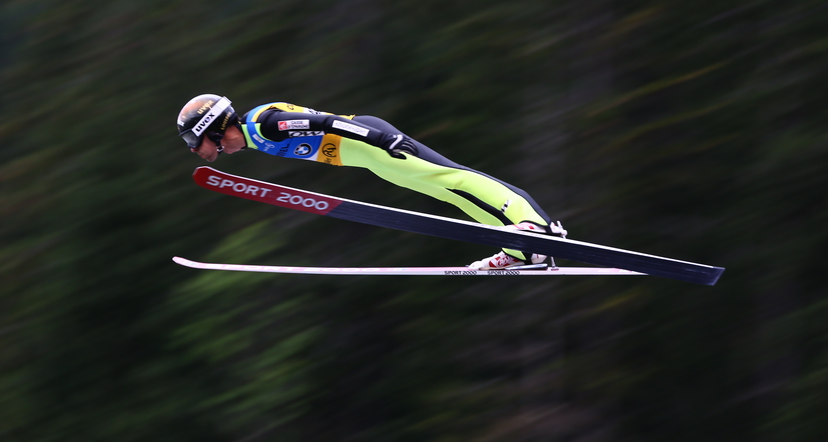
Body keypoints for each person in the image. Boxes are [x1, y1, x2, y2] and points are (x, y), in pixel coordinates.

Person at [177, 94, 566, 269]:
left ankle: (538, 227)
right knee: (447, 194)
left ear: (213, 129)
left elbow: (327, 123)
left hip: (370, 142)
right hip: (366, 158)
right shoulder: (256, 137)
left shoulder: (265, 125)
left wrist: (381, 139)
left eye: (200, 142)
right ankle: (518, 247)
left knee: (453, 177)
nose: (202, 150)